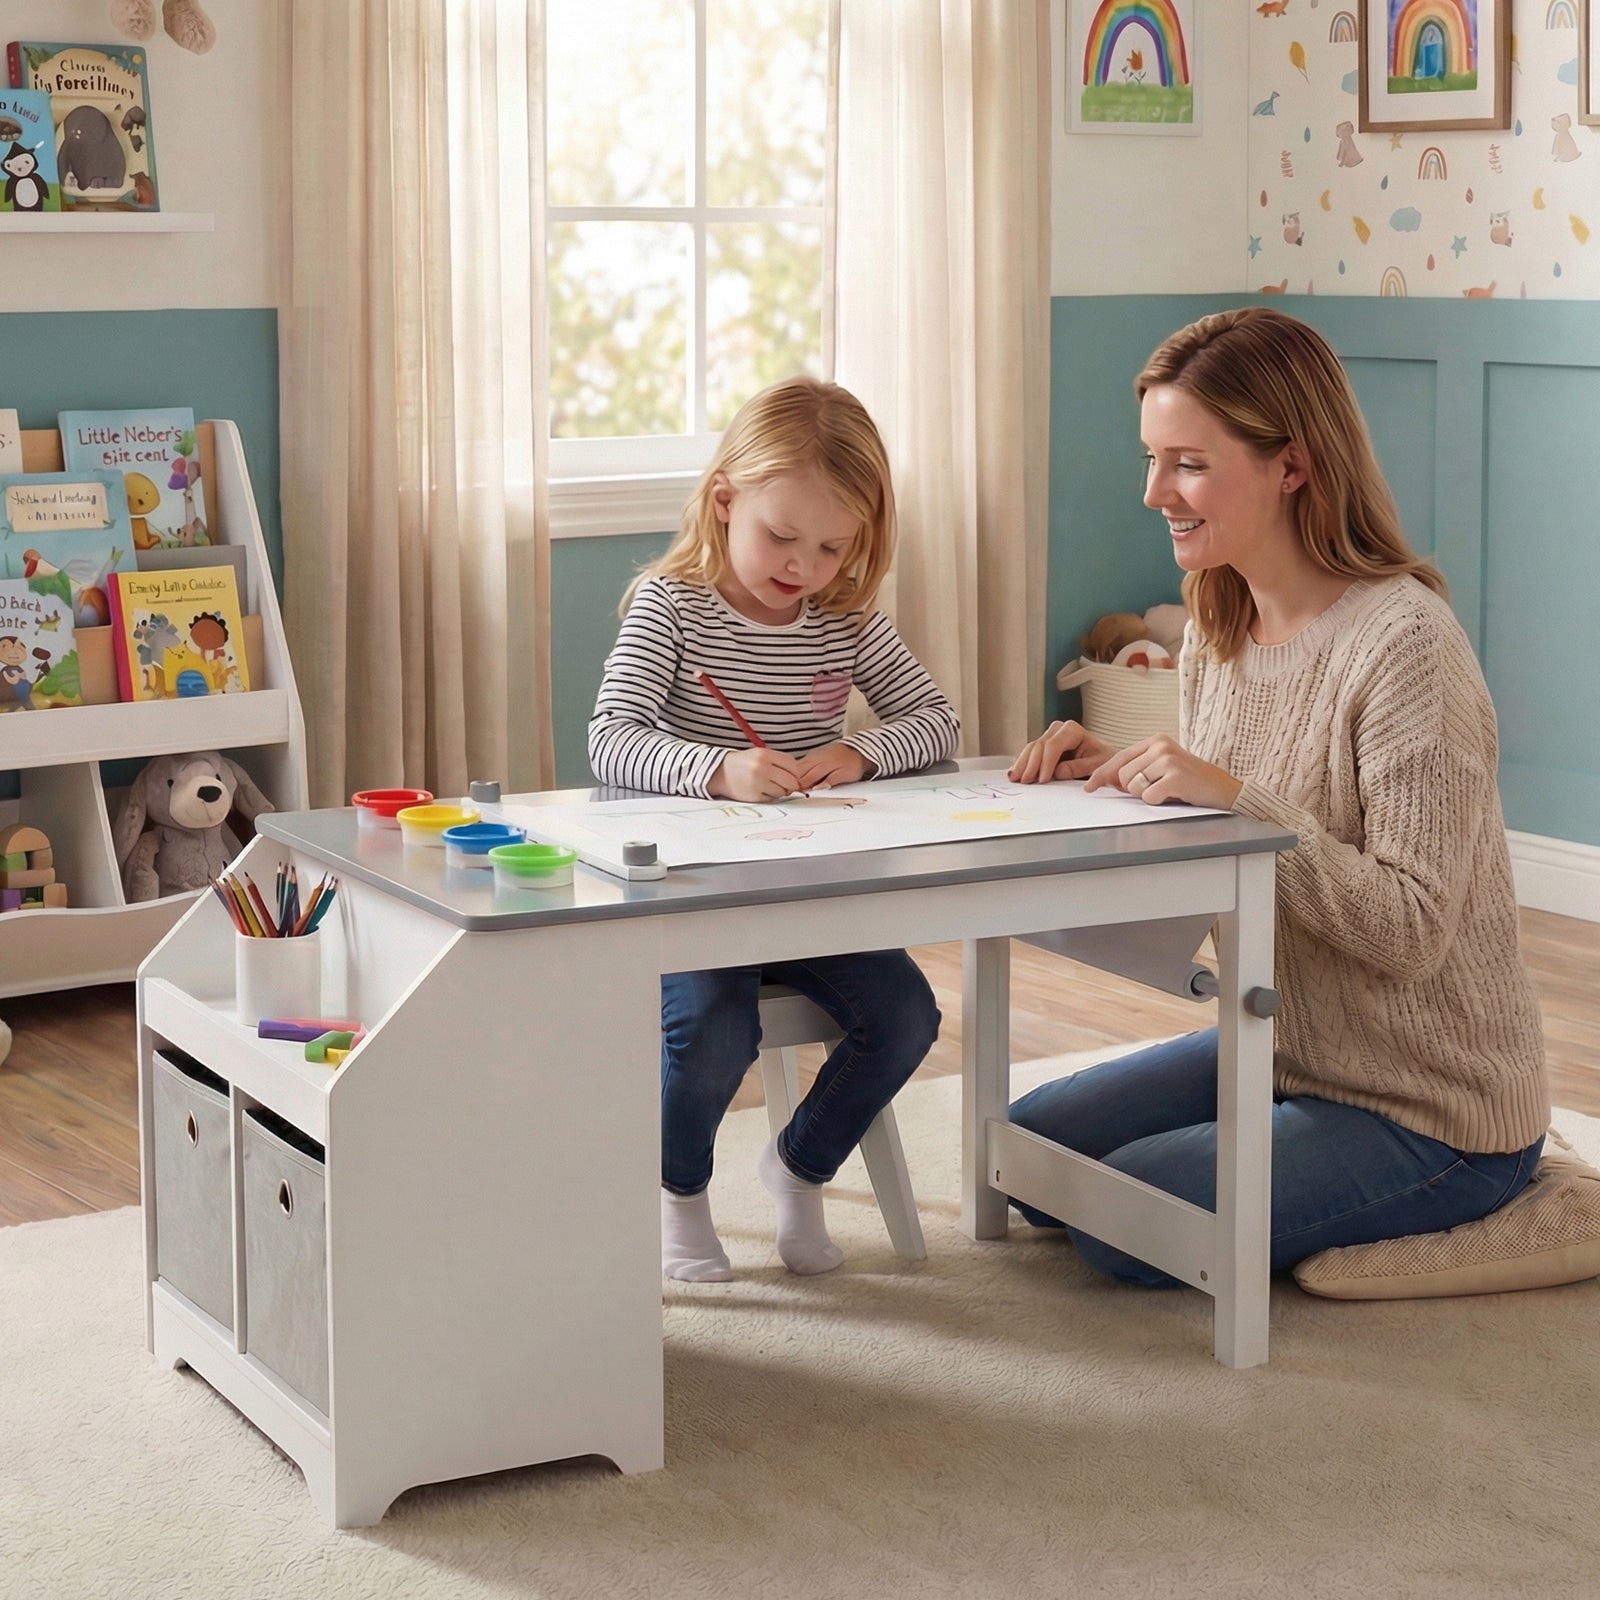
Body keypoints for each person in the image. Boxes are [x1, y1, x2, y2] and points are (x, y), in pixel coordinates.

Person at [1005, 306, 1549, 1286]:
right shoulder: (1221, 620)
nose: (1152, 492)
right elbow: (1231, 793)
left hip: (1431, 1106)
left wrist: (1238, 802)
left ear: (1291, 466)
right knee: (1031, 1157)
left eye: (1187, 463)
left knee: (1118, 1219)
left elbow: (1411, 925)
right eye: (1151, 458)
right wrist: (1117, 762)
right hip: (1289, 1044)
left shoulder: (1405, 645)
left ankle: (1520, 1197)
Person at [590, 375, 960, 1282]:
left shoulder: (842, 619)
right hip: (697, 898)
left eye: (833, 547)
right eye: (781, 536)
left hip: (804, 893)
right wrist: (717, 770)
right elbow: (611, 739)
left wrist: (863, 753)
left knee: (907, 1016)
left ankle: (798, 1167)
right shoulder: (669, 605)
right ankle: (678, 1194)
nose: (803, 566)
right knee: (716, 1037)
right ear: (724, 503)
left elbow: (937, 721)